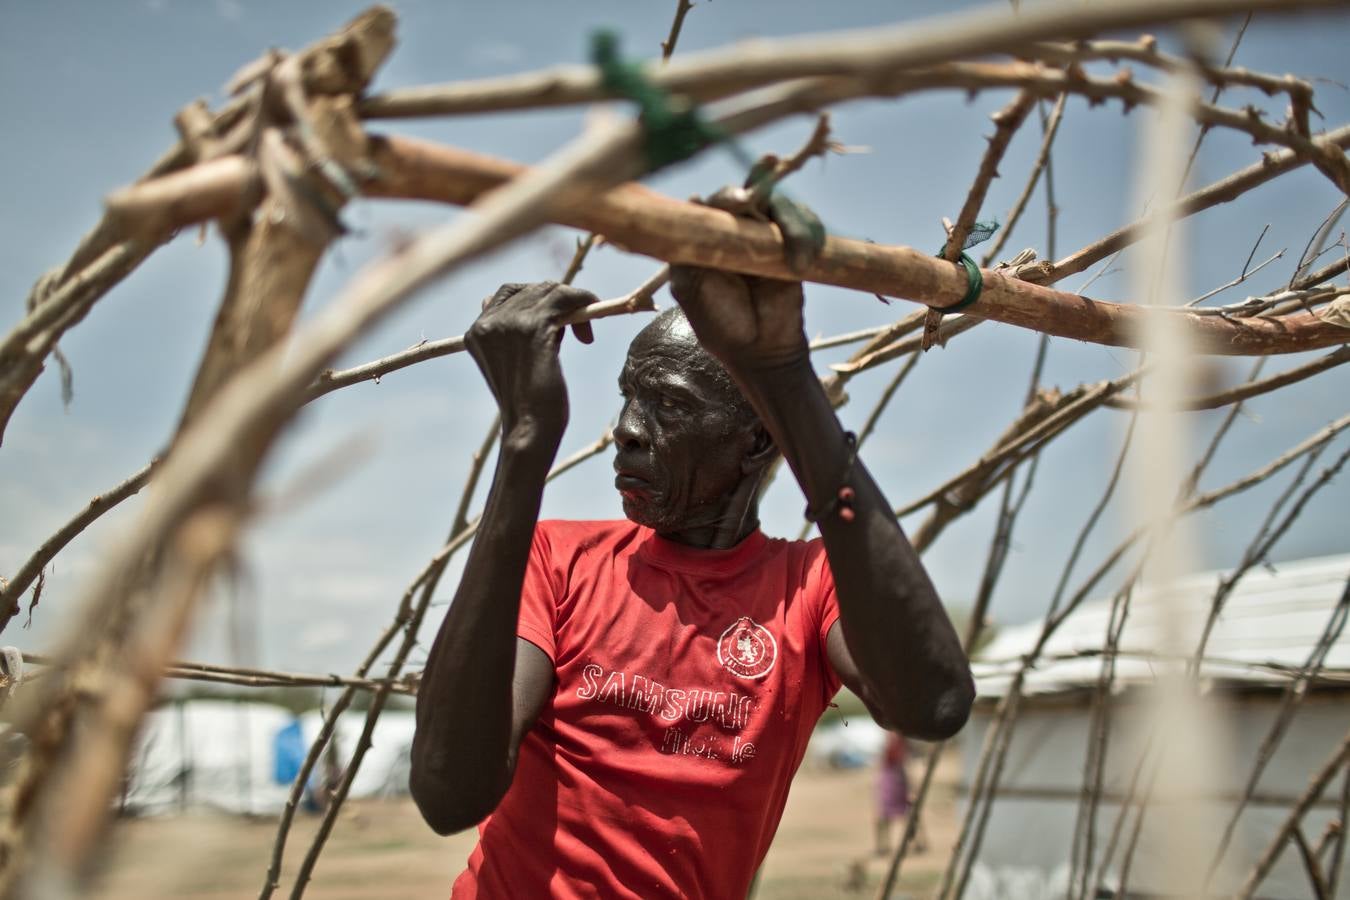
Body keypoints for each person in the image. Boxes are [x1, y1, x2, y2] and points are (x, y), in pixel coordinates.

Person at [409, 266, 974, 899]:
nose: (625, 428)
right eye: (629, 396)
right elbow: (448, 792)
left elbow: (935, 704)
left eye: (670, 404)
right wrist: (523, 445)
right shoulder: (559, 560)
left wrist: (788, 379)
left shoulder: (808, 590)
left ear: (757, 441)